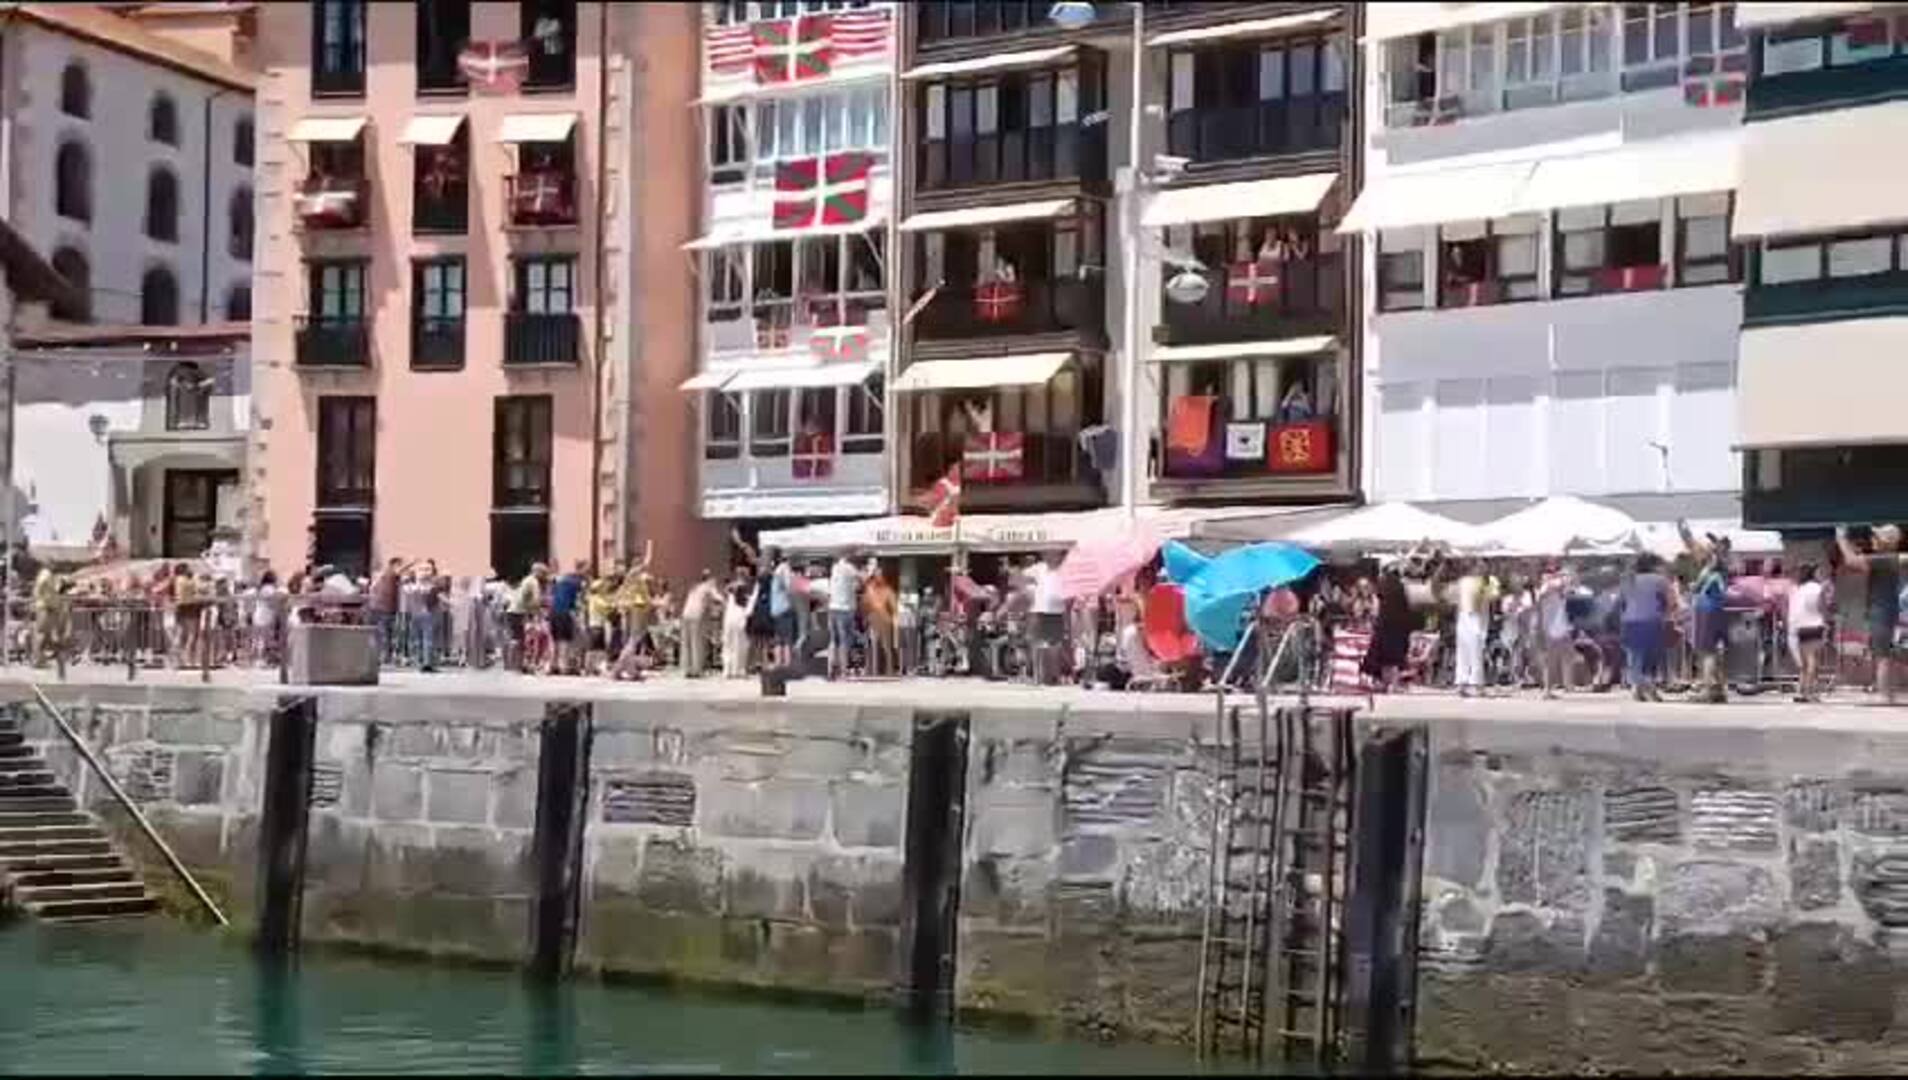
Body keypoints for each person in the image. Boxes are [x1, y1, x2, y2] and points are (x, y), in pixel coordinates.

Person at [1837, 525, 1906, 705]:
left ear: (1885, 542)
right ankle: (1889, 694)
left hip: (1880, 612)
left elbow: (1851, 561)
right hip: (1886, 610)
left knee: (1882, 655)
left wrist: (1841, 539)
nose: (1872, 540)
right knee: (1886, 654)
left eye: (1876, 537)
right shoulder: (1889, 558)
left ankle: (1884, 695)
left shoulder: (1882, 559)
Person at [1682, 522, 1732, 704]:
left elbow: (1696, 587)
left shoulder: (1712, 569)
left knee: (1706, 651)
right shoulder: (1719, 570)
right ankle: (1719, 688)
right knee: (1712, 650)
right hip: (1715, 608)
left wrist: (1692, 587)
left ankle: (1708, 689)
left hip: (1706, 609)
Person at [1618, 553, 1675, 702]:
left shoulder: (1626, 580)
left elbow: (1622, 603)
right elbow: (1672, 601)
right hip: (1652, 620)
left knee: (1635, 655)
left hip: (1630, 621)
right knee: (1651, 656)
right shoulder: (1660, 580)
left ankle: (1637, 689)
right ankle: (1648, 685)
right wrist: (1665, 614)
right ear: (1652, 565)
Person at [1362, 564, 1412, 691]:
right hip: (1396, 625)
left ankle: (1385, 683)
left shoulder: (1383, 586)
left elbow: (1377, 607)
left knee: (1382, 657)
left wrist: (1374, 620)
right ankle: (1392, 684)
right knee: (1393, 657)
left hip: (1384, 624)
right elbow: (1406, 607)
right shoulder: (1400, 587)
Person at [1025, 551, 1069, 686]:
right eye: (1047, 554)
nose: (1049, 556)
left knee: (1055, 646)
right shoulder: (1039, 568)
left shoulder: (1064, 569)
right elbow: (1020, 576)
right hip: (1040, 609)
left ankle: (1053, 676)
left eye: (1053, 554)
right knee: (1038, 644)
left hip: (1058, 611)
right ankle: (1038, 677)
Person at [1789, 562, 1830, 703]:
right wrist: (1826, 621)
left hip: (1800, 626)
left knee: (1805, 662)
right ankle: (1809, 691)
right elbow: (1821, 607)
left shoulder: (1799, 589)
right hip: (1815, 624)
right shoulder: (1817, 588)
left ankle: (1802, 690)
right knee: (1813, 660)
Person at [826, 548, 866, 680]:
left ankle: (830, 669)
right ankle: (843, 671)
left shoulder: (835, 567)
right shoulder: (849, 568)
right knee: (844, 641)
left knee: (833, 640)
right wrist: (870, 569)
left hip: (832, 607)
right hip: (845, 609)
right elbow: (863, 579)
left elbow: (850, 585)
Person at [1452, 561, 1490, 697]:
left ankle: (1473, 683)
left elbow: (1484, 603)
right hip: (1467, 616)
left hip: (1472, 616)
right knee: (1467, 651)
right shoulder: (1465, 581)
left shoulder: (1480, 582)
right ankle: (1465, 683)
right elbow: (1459, 601)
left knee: (1473, 651)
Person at [681, 570, 723, 678]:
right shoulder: (709, 586)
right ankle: (696, 670)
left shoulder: (695, 587)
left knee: (686, 643)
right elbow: (718, 598)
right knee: (696, 642)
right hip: (696, 615)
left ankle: (687, 669)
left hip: (686, 613)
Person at [549, 561, 587, 676]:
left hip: (553, 611)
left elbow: (553, 594)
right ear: (580, 569)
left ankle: (553, 665)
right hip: (565, 612)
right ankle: (564, 667)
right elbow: (581, 600)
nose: (588, 572)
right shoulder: (579, 582)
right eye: (587, 569)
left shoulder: (561, 579)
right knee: (565, 640)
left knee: (555, 639)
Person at [506, 564, 546, 673]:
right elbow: (536, 600)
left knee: (515, 638)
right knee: (523, 639)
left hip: (512, 610)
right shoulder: (534, 582)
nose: (544, 576)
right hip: (520, 612)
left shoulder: (526, 580)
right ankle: (520, 664)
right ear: (537, 572)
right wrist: (537, 611)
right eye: (543, 573)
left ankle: (511, 664)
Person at [863, 564, 898, 677]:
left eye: (880, 575)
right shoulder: (870, 589)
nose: (878, 577)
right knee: (872, 645)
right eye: (876, 575)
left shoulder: (887, 590)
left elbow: (893, 607)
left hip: (884, 619)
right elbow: (864, 605)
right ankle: (873, 670)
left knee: (885, 646)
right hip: (874, 619)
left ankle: (888, 670)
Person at [722, 569, 756, 678]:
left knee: (728, 644)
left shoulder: (731, 588)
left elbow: (726, 595)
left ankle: (727, 669)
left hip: (728, 618)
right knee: (741, 645)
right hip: (740, 617)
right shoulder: (747, 589)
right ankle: (739, 669)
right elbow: (750, 607)